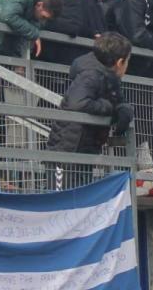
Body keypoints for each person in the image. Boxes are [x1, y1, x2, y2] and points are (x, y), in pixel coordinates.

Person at [45, 33, 133, 190]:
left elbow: (118, 101)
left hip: (83, 151)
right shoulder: (91, 75)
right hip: (67, 152)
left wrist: (124, 110)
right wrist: (108, 108)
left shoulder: (109, 77)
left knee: (80, 204)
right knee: (62, 204)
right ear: (120, 62)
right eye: (127, 62)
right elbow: (77, 103)